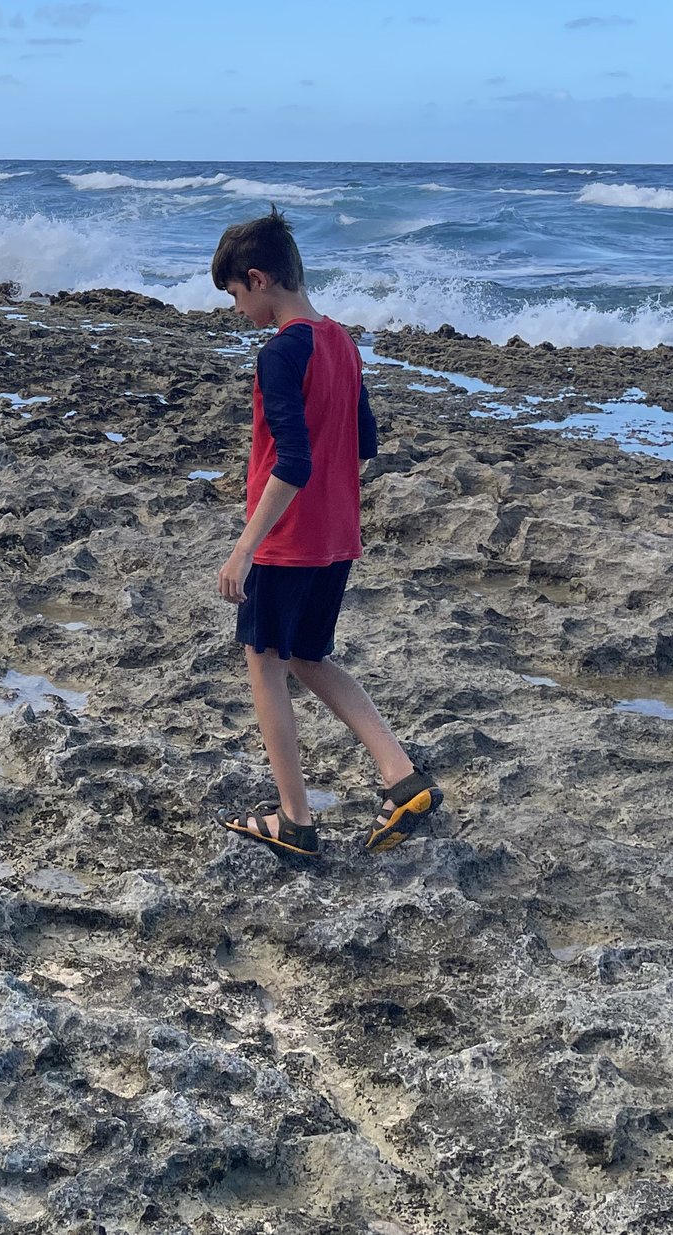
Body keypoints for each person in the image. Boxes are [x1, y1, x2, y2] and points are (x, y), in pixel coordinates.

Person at [209, 212, 437, 862]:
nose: (237, 308)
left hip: (286, 541)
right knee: (308, 656)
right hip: (336, 538)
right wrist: (329, 507)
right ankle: (402, 778)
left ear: (259, 279)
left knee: (264, 662)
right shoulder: (341, 341)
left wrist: (243, 547)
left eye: (235, 294)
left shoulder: (280, 351)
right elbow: (363, 444)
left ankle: (295, 819)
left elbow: (292, 462)